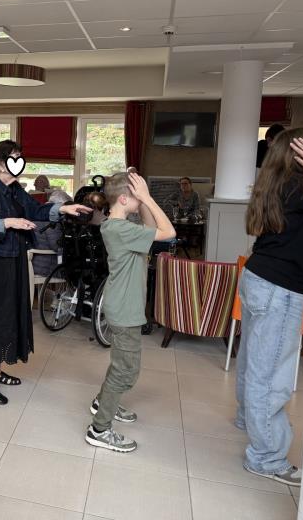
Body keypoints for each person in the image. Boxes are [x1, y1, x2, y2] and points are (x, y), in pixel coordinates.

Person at [237, 128, 303, 487]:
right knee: (271, 376)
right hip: (278, 288)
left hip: (259, 278)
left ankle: (248, 420)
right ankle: (265, 457)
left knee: (253, 362)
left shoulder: (276, 182)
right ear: (301, 151)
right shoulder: (299, 187)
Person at [0, 140, 91, 405]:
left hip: (12, 259)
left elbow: (34, 209)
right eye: (14, 157)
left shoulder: (13, 189)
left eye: (20, 157)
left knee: (8, 314)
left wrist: (63, 208)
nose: (19, 162)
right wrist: (8, 222)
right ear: (1, 163)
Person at [85, 172, 175, 452]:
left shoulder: (118, 225)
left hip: (123, 304)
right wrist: (147, 197)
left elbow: (151, 227)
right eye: (136, 197)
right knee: (126, 370)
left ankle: (103, 402)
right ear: (124, 199)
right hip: (125, 309)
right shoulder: (121, 230)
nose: (141, 201)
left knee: (120, 364)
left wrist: (143, 198)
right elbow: (168, 233)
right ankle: (99, 429)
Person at [32, 190, 72, 277]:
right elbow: (56, 245)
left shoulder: (38, 213)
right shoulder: (52, 218)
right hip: (47, 267)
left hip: (35, 264)